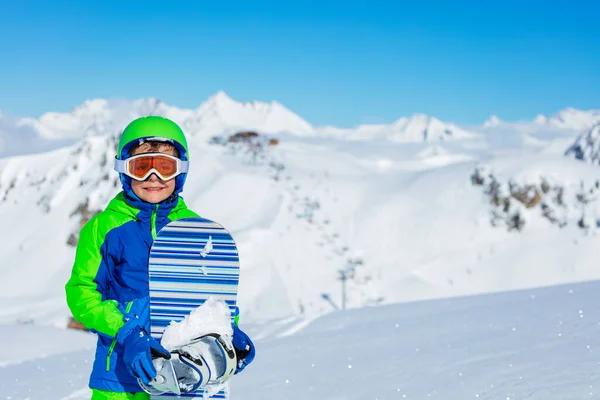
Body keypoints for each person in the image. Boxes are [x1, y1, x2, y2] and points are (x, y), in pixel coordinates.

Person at [65, 116, 255, 400]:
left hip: (184, 373)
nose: (153, 178)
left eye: (165, 167)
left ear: (180, 172)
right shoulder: (104, 228)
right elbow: (82, 294)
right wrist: (126, 332)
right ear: (124, 170)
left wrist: (229, 329)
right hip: (120, 378)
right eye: (141, 167)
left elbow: (211, 294)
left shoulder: (194, 229)